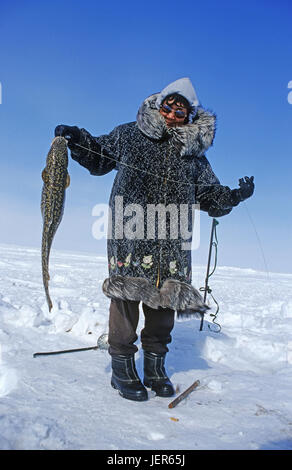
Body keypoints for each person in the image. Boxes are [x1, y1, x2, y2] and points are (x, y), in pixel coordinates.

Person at [55, 77, 254, 402]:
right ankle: (121, 367)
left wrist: (236, 195)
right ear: (159, 105)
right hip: (130, 233)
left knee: (165, 304)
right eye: (169, 105)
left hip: (174, 240)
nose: (174, 112)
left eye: (182, 108)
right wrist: (77, 138)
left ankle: (155, 367)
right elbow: (99, 157)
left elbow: (209, 197)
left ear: (190, 115)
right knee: (127, 297)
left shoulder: (193, 154)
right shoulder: (129, 135)